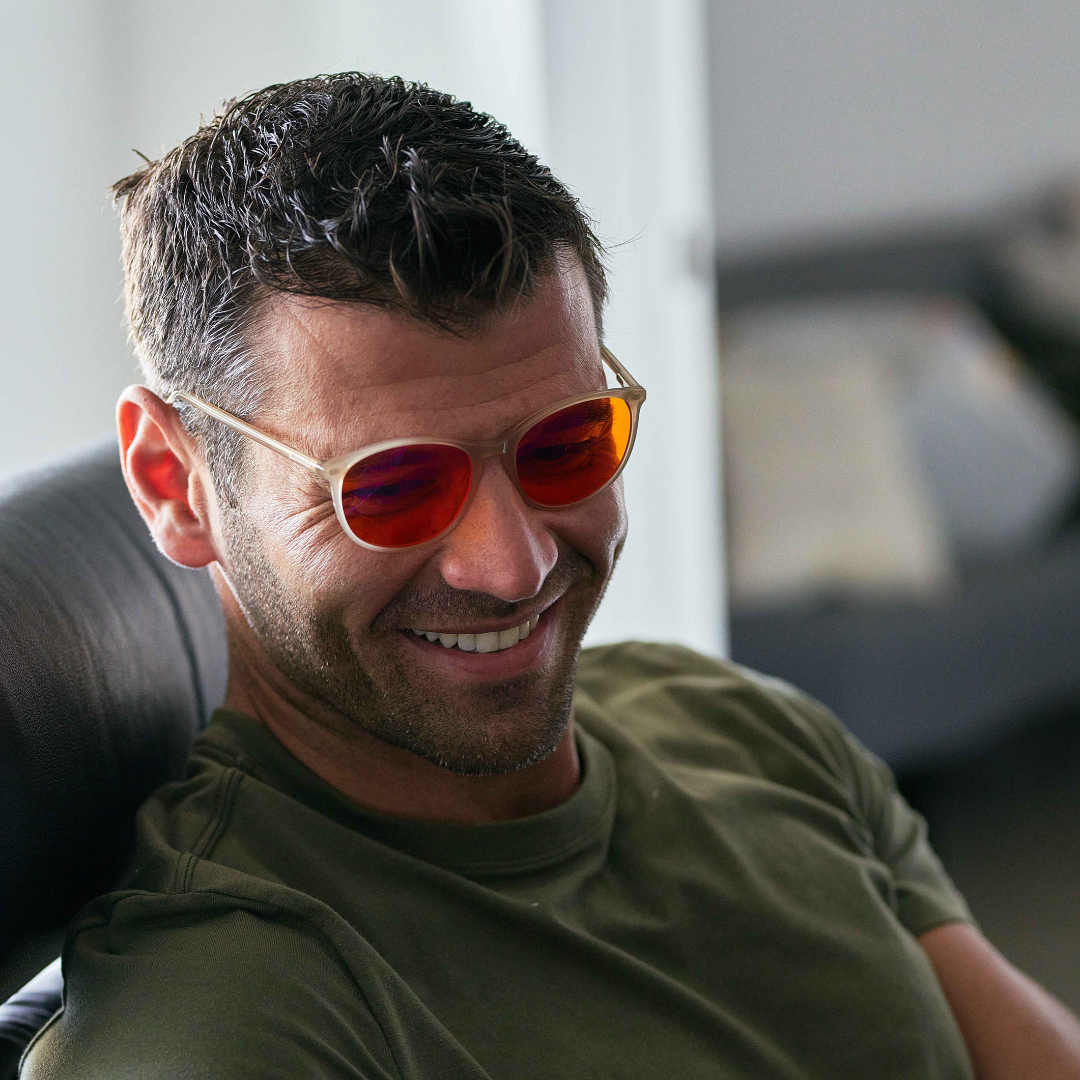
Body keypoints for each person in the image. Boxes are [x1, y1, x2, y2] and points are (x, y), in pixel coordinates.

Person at [22, 73, 1080, 1080]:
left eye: (566, 445)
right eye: (394, 487)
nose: (513, 565)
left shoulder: (741, 723)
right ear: (175, 483)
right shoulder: (239, 1015)